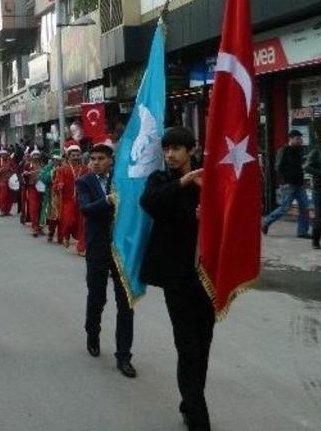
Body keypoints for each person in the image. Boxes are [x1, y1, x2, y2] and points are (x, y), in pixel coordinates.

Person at [140, 127, 213, 431]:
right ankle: (197, 416)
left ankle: (190, 400)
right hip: (176, 277)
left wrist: (208, 214)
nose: (170, 154)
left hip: (206, 277)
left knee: (203, 343)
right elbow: (150, 203)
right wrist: (184, 181)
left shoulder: (210, 181)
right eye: (166, 149)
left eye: (177, 149)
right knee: (187, 346)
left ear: (191, 150)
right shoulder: (161, 180)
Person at [76, 143, 136, 379]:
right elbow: (87, 209)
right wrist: (109, 201)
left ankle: (124, 355)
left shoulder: (122, 180)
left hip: (122, 250)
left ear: (111, 160)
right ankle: (92, 332)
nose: (96, 162)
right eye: (93, 158)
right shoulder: (85, 182)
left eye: (101, 158)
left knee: (126, 303)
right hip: (98, 249)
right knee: (97, 296)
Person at [261, 130, 309, 237]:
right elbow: (278, 167)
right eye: (297, 139)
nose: (299, 141)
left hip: (299, 184)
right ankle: (266, 221)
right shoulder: (283, 150)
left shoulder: (299, 150)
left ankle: (302, 232)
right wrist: (284, 181)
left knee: (304, 207)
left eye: (300, 139)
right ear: (291, 139)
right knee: (284, 208)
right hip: (288, 184)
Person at [57, 144, 89, 255]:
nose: (75, 157)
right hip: (68, 200)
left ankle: (81, 248)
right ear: (68, 156)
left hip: (82, 200)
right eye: (73, 155)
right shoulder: (63, 169)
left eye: (77, 155)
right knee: (69, 221)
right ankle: (66, 235)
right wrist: (59, 185)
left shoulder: (85, 169)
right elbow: (56, 183)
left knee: (82, 224)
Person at [39, 150, 63, 242]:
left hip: (61, 196)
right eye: (55, 160)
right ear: (52, 160)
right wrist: (52, 172)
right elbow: (42, 178)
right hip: (50, 196)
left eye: (59, 160)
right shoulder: (48, 167)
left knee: (61, 216)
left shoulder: (64, 168)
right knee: (51, 215)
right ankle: (50, 232)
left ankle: (61, 236)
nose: (57, 162)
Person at [22, 148, 44, 237]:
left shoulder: (42, 165)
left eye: (37, 155)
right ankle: (34, 227)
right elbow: (22, 175)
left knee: (41, 208)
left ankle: (40, 227)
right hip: (32, 188)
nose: (36, 157)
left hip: (42, 188)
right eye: (34, 155)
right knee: (33, 208)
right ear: (31, 156)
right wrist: (25, 174)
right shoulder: (27, 165)